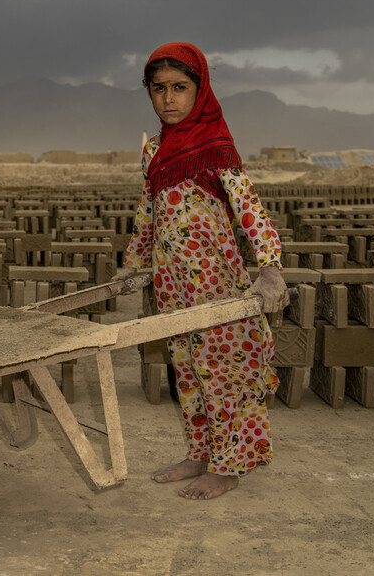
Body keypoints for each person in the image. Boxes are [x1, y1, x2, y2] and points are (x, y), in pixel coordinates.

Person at [114, 42, 289, 500]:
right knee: (186, 369)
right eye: (158, 89)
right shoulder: (153, 149)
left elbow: (248, 206)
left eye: (180, 88)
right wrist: (134, 264)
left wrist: (270, 267)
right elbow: (148, 210)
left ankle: (228, 466)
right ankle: (199, 452)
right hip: (173, 284)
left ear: (200, 89)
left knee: (223, 371)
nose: (168, 99)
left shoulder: (214, 142)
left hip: (216, 281)